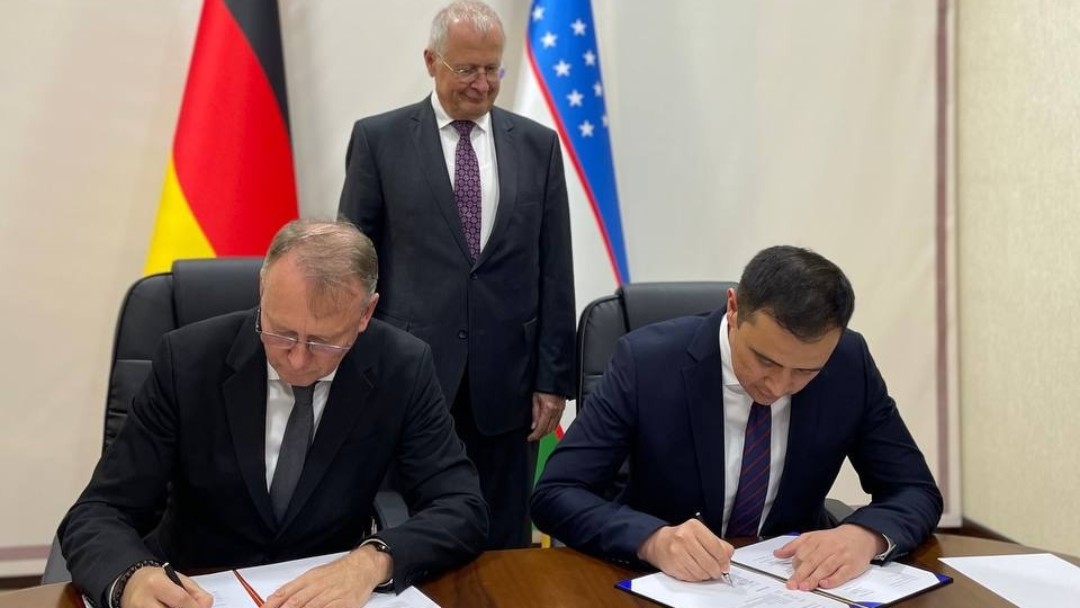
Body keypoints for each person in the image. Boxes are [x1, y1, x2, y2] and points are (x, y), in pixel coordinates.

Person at [59, 220, 487, 608]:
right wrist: (132, 579)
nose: (298, 360)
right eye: (281, 333)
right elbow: (98, 511)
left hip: (326, 594)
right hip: (195, 588)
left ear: (365, 314)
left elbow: (461, 506)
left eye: (323, 342)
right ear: (262, 288)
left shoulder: (401, 366)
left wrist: (373, 561)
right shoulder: (187, 360)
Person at [532, 246, 943, 591]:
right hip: (660, 583)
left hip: (790, 588)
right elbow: (556, 493)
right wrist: (651, 540)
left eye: (805, 371)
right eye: (765, 359)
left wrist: (864, 536)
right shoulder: (646, 363)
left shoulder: (849, 364)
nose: (780, 386)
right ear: (733, 308)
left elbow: (914, 489)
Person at [338, 0, 575, 549]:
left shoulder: (537, 145)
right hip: (408, 377)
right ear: (431, 61)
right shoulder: (380, 139)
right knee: (410, 539)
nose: (482, 83)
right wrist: (353, 366)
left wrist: (552, 378)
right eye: (467, 68)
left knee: (502, 543)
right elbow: (353, 263)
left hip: (507, 385)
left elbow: (554, 268)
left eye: (493, 68)